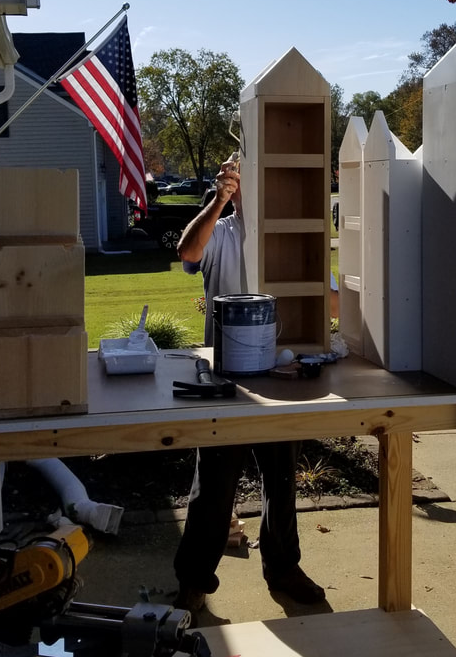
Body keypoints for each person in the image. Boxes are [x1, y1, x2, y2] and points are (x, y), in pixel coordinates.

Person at [173, 157, 325, 613]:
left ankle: (283, 569)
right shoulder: (222, 230)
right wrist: (217, 200)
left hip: (283, 378)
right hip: (229, 378)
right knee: (214, 486)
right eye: (242, 183)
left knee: (281, 484)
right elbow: (187, 251)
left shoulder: (293, 230)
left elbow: (329, 295)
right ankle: (193, 580)